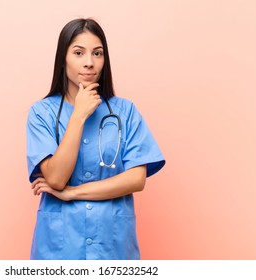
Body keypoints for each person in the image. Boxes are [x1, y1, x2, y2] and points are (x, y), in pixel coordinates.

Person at [26, 18, 165, 260]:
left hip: (113, 247)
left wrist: (73, 193)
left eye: (97, 53)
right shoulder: (41, 113)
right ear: (63, 58)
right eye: (79, 53)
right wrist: (78, 115)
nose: (89, 63)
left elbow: (136, 178)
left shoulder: (126, 111)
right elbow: (56, 179)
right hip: (60, 250)